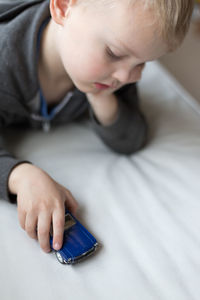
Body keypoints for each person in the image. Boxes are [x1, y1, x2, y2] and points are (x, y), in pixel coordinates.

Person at [0, 0, 194, 253]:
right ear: (63, 8)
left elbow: (129, 139)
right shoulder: (5, 59)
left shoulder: (112, 76)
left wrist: (101, 96)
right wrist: (20, 176)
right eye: (113, 53)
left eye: (142, 64)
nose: (126, 77)